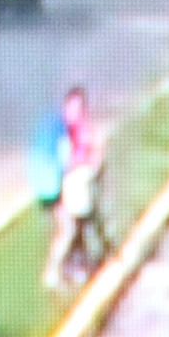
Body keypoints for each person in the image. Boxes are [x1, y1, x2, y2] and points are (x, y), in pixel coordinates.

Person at [49, 80, 114, 289]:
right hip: (66, 188)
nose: (75, 112)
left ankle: (88, 263)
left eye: (79, 108)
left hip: (83, 186)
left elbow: (96, 153)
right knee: (69, 231)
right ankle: (54, 271)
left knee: (87, 225)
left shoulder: (85, 130)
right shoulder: (62, 133)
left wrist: (93, 167)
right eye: (72, 108)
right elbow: (62, 162)